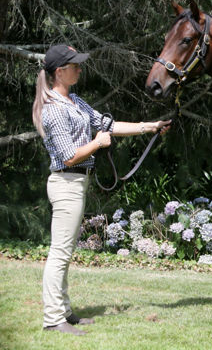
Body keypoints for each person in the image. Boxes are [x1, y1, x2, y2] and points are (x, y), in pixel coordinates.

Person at [32, 44, 171, 336]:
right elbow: (69, 155)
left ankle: (65, 311)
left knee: (65, 251)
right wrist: (97, 144)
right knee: (59, 253)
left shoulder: (74, 101)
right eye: (75, 65)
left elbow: (109, 124)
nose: (80, 69)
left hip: (75, 183)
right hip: (66, 182)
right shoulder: (55, 110)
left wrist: (151, 126)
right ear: (60, 72)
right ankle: (53, 318)